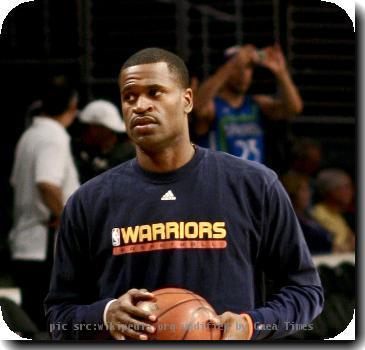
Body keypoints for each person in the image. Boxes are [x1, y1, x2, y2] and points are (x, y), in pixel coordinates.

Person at [45, 48, 323, 341]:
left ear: (187, 100)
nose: (140, 105)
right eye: (130, 96)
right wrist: (104, 316)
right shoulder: (88, 202)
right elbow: (59, 317)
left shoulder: (255, 185)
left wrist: (251, 325)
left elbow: (306, 292)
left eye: (155, 92)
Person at [8, 75, 80, 331]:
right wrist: (65, 218)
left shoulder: (31, 135)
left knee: (32, 323)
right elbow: (47, 183)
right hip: (44, 248)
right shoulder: (53, 137)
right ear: (72, 107)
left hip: (27, 244)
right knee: (45, 326)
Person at [193, 43, 303, 163]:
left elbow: (294, 108)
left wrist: (281, 72)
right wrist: (233, 63)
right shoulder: (213, 105)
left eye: (248, 68)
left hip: (253, 180)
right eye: (237, 68)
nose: (243, 74)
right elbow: (197, 106)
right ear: (224, 70)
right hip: (221, 179)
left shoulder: (256, 104)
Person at [72, 99, 135, 183]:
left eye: (95, 127)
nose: (90, 131)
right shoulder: (83, 150)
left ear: (105, 128)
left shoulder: (126, 153)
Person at [280, 171, 333, 255]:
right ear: (292, 193)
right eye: (304, 190)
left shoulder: (308, 216)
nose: (309, 193)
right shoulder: (288, 222)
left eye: (308, 189)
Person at [311, 169, 355, 253]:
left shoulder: (338, 215)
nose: (351, 191)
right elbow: (334, 247)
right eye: (346, 187)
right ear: (332, 191)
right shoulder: (319, 214)